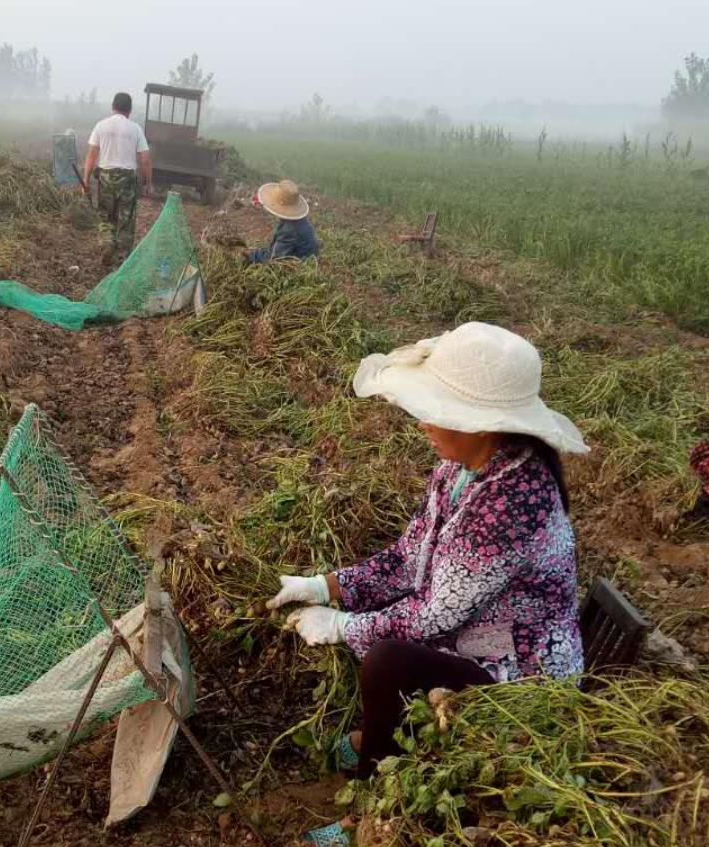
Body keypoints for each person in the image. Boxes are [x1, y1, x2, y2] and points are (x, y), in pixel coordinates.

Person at [266, 321, 589, 778]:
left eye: (439, 411)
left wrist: (344, 627)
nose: (423, 422)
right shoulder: (457, 470)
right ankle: (376, 738)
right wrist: (326, 586)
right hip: (478, 636)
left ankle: (368, 795)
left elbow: (437, 614)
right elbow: (406, 557)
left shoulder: (515, 498)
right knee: (390, 628)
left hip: (521, 673)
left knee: (387, 661)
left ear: (483, 427)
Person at [83, 92, 153, 266]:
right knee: (125, 220)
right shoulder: (135, 129)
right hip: (127, 181)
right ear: (129, 110)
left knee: (106, 217)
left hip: (105, 179)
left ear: (113, 107)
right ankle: (121, 260)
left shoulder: (100, 126)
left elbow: (91, 155)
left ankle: (107, 244)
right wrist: (148, 183)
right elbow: (145, 158)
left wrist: (85, 180)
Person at [246, 180, 319, 263]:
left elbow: (276, 258)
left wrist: (252, 256)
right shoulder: (297, 221)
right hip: (305, 256)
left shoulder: (289, 230)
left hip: (301, 264)